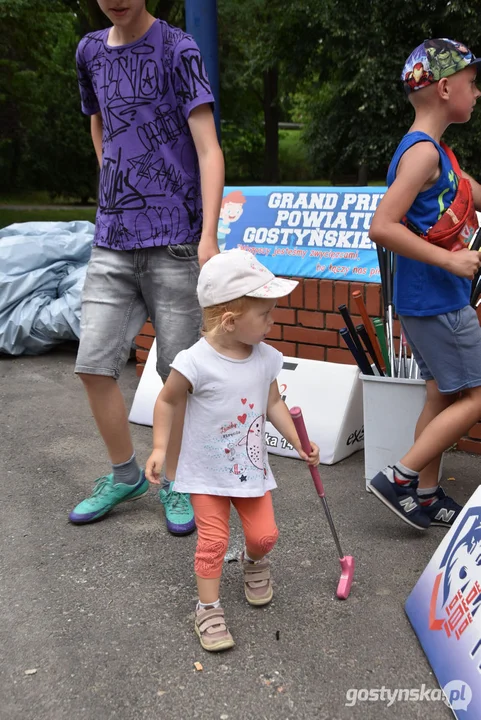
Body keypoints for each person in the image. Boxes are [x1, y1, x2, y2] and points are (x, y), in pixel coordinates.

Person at [68, 0, 224, 535]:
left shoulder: (179, 47)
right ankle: (126, 473)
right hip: (112, 238)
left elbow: (208, 147)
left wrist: (208, 234)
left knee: (176, 372)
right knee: (92, 365)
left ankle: (175, 477)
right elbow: (101, 127)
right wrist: (115, 185)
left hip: (176, 240)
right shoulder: (89, 51)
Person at [145, 249, 320, 651]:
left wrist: (300, 442)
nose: (272, 323)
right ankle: (207, 608)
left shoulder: (265, 359)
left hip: (250, 470)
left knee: (265, 536)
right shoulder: (194, 362)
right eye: (265, 315)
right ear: (229, 321)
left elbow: (273, 404)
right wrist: (158, 446)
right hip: (206, 474)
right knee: (212, 542)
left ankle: (254, 561)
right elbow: (168, 400)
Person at [368, 38, 481, 531]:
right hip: (435, 301)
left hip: (432, 300)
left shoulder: (439, 155)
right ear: (445, 87)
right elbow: (382, 226)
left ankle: (428, 494)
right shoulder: (421, 155)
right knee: (479, 395)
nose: (477, 93)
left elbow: (474, 194)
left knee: (440, 395)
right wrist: (450, 262)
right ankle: (400, 478)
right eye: (473, 84)